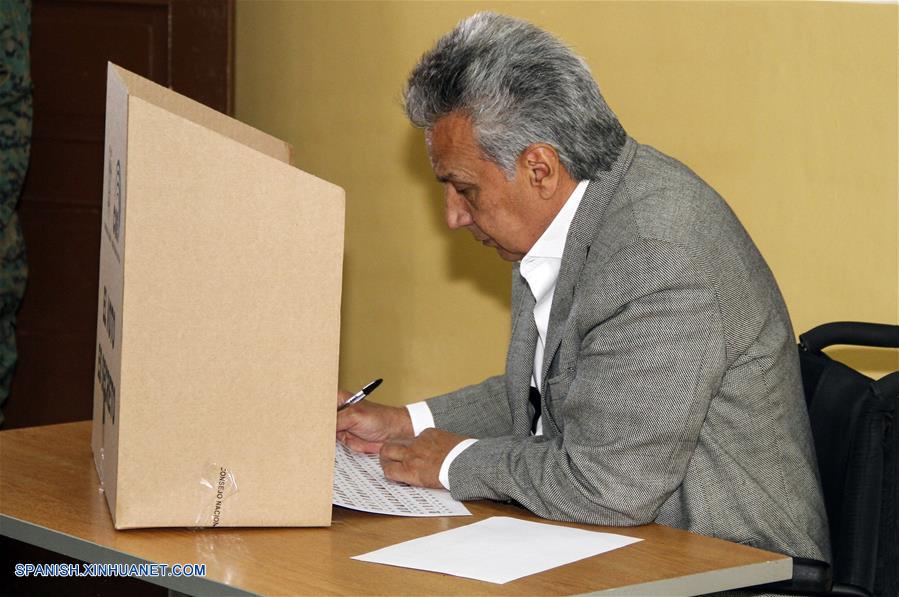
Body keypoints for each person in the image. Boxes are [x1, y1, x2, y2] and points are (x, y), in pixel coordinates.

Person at [337, 12, 830, 563]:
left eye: (464, 190)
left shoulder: (656, 256)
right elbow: (549, 394)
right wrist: (406, 422)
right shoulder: (569, 216)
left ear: (539, 169)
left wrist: (453, 462)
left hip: (730, 567)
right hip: (631, 545)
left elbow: (606, 485)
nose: (453, 216)